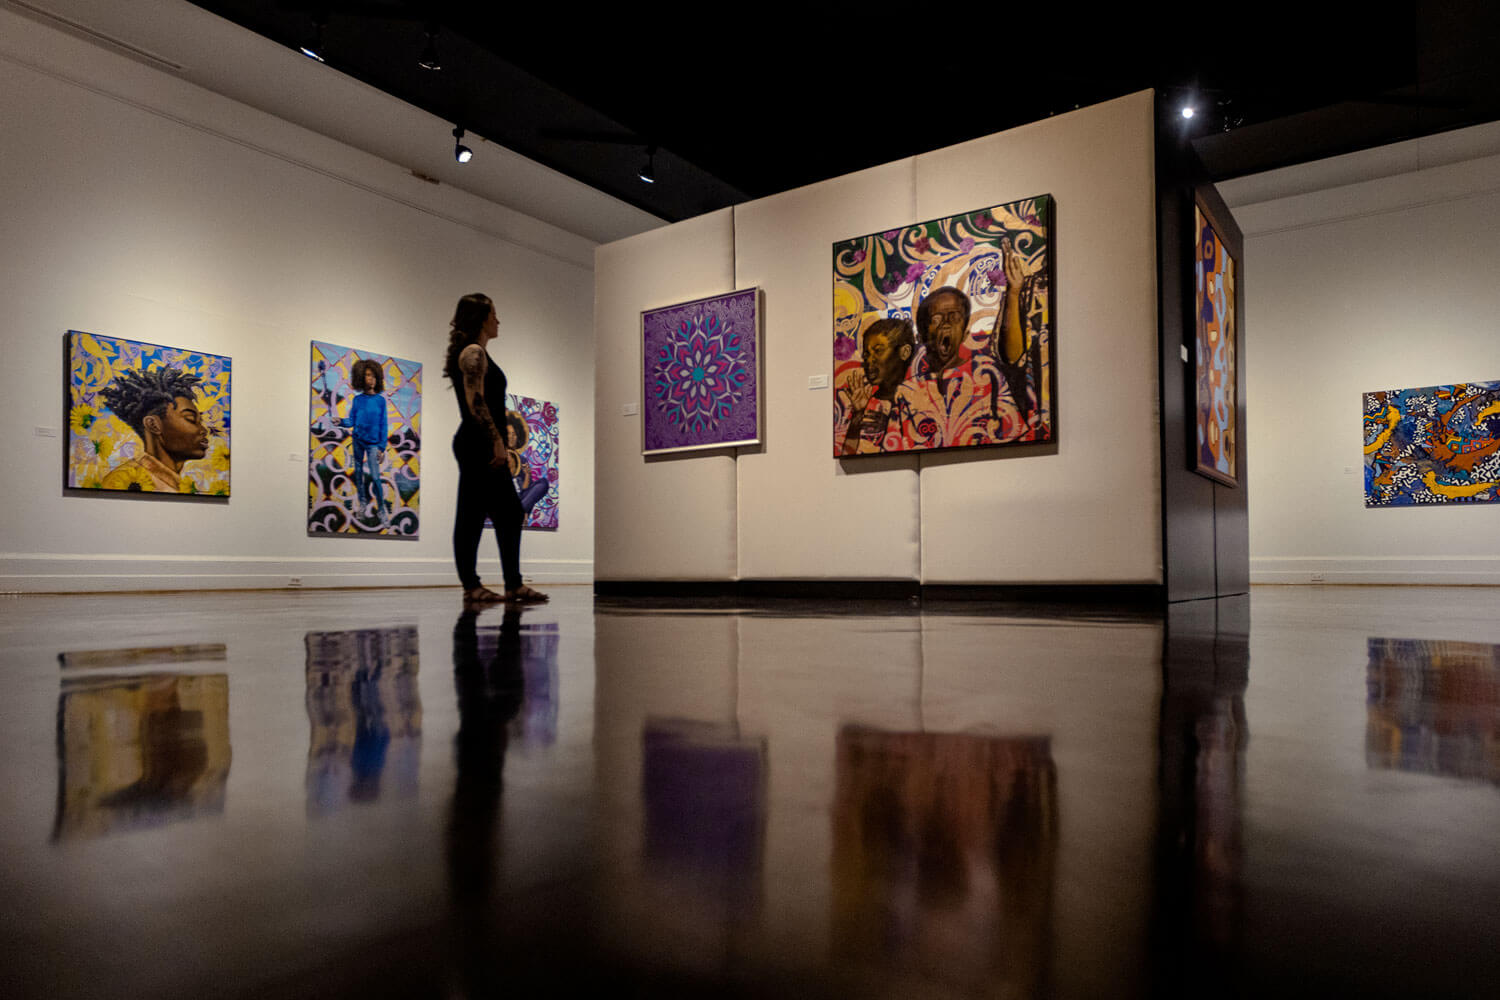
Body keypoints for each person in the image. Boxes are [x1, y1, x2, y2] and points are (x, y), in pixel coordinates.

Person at [444, 293, 548, 606]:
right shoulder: (473, 353)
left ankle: (508, 584)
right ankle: (475, 586)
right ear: (481, 319)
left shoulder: (478, 353)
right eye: (494, 314)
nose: (498, 320)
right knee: (473, 514)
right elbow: (476, 403)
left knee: (506, 511)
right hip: (479, 442)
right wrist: (497, 441)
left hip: (480, 442)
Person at [98, 366, 210, 492]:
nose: (203, 430)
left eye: (201, 421)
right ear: (153, 425)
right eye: (190, 418)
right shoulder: (122, 481)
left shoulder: (181, 485)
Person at [834, 317, 916, 455]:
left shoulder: (920, 395)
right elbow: (848, 455)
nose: (869, 361)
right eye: (866, 355)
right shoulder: (868, 403)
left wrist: (891, 425)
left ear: (904, 352)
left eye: (878, 351)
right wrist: (858, 417)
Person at [340, 358, 390, 524]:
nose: (371, 379)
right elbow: (351, 421)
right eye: (368, 375)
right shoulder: (357, 400)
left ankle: (382, 509)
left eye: (373, 375)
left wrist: (382, 447)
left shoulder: (381, 401)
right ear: (362, 377)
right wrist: (340, 421)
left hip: (374, 444)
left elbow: (384, 424)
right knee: (359, 474)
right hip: (358, 440)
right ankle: (362, 503)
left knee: (376, 477)